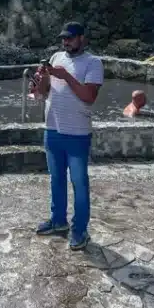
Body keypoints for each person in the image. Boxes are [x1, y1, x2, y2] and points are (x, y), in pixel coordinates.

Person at [33, 22, 104, 250]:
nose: (66, 42)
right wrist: (43, 77)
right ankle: (58, 221)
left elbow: (88, 96)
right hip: (52, 129)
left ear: (82, 38)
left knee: (79, 182)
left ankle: (80, 230)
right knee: (56, 178)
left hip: (77, 134)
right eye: (64, 38)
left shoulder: (93, 63)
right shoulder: (55, 58)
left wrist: (65, 76)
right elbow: (43, 92)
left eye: (70, 38)